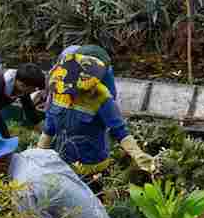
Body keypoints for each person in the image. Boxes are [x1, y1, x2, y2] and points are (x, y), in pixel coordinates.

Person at [36, 50, 155, 183]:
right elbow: (49, 127)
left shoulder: (101, 96)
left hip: (92, 167)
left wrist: (138, 155)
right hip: (64, 164)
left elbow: (119, 130)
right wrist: (39, 154)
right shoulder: (58, 91)